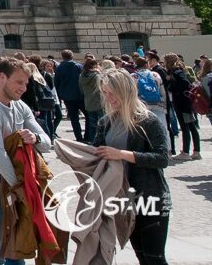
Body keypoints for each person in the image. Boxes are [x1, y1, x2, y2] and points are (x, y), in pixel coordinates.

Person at [0, 59, 52, 265]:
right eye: (19, 82)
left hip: (15, 184)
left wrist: (35, 138)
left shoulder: (20, 106)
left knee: (17, 249)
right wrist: (21, 189)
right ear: (2, 77)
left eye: (26, 83)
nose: (23, 88)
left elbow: (47, 142)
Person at [93, 67, 171, 265]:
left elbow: (162, 158)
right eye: (105, 93)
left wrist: (122, 155)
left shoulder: (148, 120)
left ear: (125, 90)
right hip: (124, 199)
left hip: (151, 196)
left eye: (112, 92)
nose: (108, 98)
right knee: (142, 257)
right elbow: (97, 154)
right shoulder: (105, 122)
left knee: (155, 258)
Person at [163, 53, 201, 159]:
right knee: (191, 126)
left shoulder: (176, 72)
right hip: (185, 103)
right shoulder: (179, 70)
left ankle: (186, 152)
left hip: (182, 103)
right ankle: (196, 151)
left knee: (185, 127)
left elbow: (185, 83)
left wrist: (171, 83)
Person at [54, 49, 83, 141]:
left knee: (74, 118)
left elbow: (56, 82)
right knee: (88, 116)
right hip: (79, 95)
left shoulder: (59, 68)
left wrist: (60, 95)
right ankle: (88, 136)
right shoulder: (78, 66)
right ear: (72, 56)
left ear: (62, 57)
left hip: (67, 96)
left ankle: (79, 137)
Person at [79, 56, 104, 144]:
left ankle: (92, 140)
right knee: (102, 123)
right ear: (94, 65)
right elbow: (102, 88)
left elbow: (81, 90)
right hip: (99, 101)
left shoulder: (81, 76)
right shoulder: (97, 76)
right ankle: (101, 141)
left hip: (88, 101)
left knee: (92, 123)